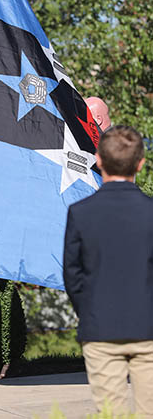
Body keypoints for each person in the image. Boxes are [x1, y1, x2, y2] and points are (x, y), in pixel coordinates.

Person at [63, 125, 153, 417]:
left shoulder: (80, 212)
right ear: (141, 163)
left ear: (98, 160)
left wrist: (87, 310)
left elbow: (72, 274)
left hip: (100, 329)